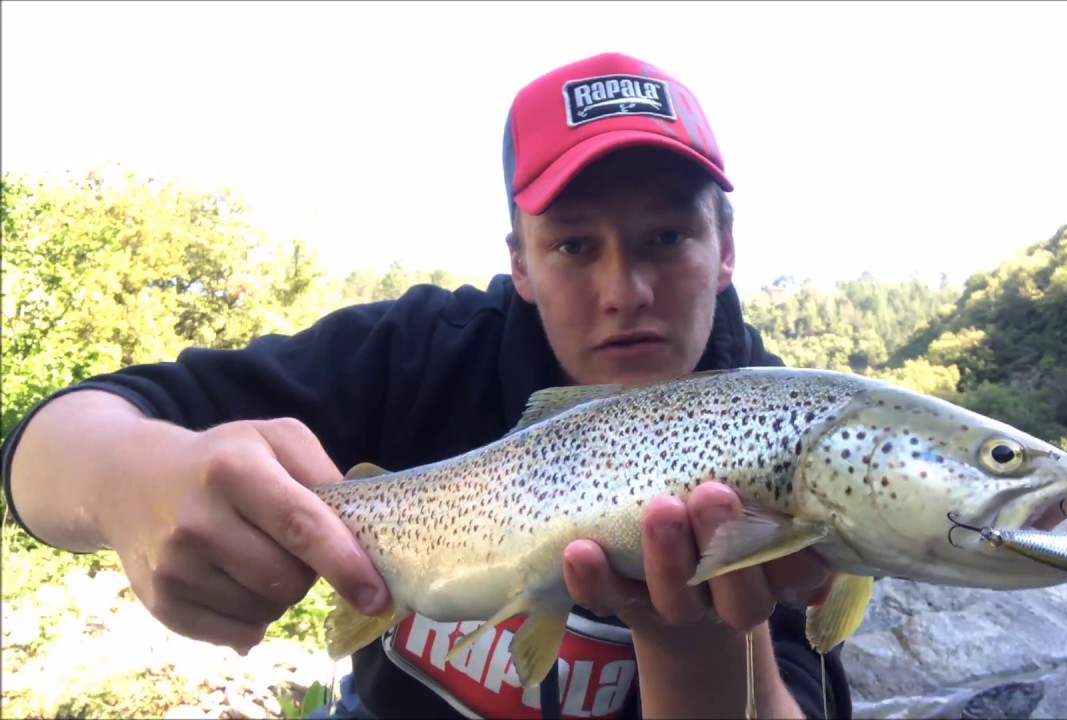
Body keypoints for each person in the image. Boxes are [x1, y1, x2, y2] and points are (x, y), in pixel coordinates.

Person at [1, 51, 854, 719]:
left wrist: (695, 644)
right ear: (520, 263)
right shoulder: (423, 351)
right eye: (573, 245)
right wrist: (124, 479)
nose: (623, 290)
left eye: (665, 236)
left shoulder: (791, 437)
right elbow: (45, 448)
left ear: (726, 247)